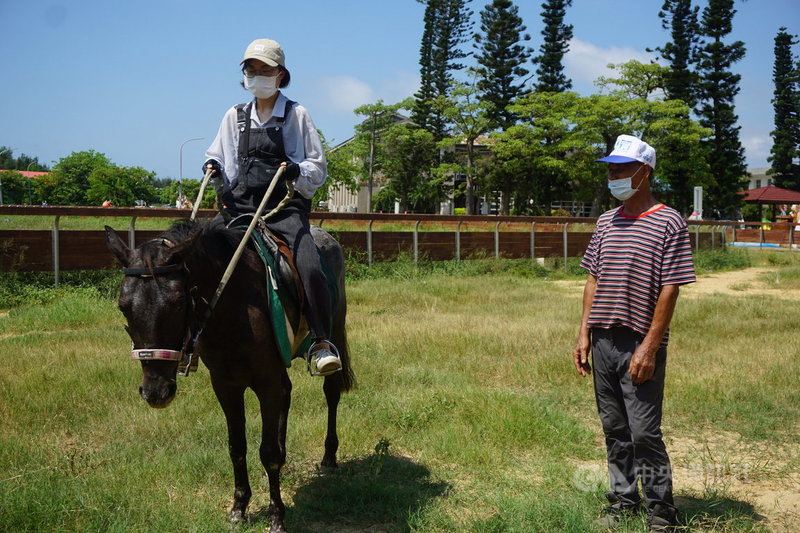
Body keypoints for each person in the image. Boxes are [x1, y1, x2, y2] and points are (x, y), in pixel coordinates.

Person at [572, 135, 696, 532]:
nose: (613, 174)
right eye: (610, 167)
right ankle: (623, 500)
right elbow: (592, 280)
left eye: (622, 168)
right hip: (603, 339)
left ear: (645, 172)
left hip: (639, 343)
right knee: (614, 429)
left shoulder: (668, 221)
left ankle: (662, 512)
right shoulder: (606, 220)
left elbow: (671, 287)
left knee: (643, 430)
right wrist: (583, 334)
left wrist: (650, 345)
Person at [202, 38, 341, 376]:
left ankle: (321, 341)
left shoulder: (297, 114)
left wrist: (297, 170)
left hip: (284, 207)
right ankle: (194, 339)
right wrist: (213, 166)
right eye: (252, 70)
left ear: (281, 75)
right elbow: (219, 154)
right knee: (198, 255)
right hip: (239, 207)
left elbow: (317, 167)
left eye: (265, 70)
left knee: (308, 261)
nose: (258, 76)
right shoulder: (234, 116)